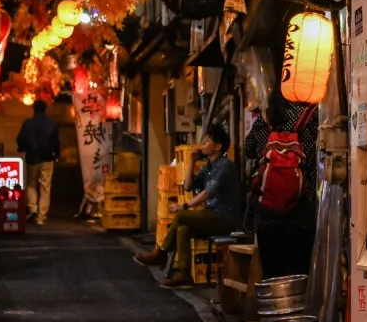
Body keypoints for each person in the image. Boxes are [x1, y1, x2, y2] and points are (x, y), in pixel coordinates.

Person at [135, 124, 241, 287]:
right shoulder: (210, 166)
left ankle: (161, 253)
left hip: (224, 217)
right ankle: (184, 274)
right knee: (183, 229)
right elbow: (188, 186)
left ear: (218, 146)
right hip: (211, 215)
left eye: (208, 139)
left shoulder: (225, 166)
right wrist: (191, 161)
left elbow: (208, 192)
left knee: (180, 215)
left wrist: (184, 206)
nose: (204, 141)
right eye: (204, 138)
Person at [245, 95, 320, 278]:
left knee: (272, 274)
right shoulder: (310, 117)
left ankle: (275, 305)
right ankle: (298, 305)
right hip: (301, 212)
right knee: (300, 273)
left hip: (266, 215)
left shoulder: (264, 120)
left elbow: (248, 150)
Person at [15, 100, 62, 225]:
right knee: (45, 187)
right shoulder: (51, 124)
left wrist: (22, 148)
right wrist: (56, 155)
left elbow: (20, 139)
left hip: (32, 158)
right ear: (45, 109)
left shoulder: (28, 124)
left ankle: (33, 208)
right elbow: (56, 143)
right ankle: (41, 216)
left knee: (31, 184)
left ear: (33, 109)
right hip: (47, 159)